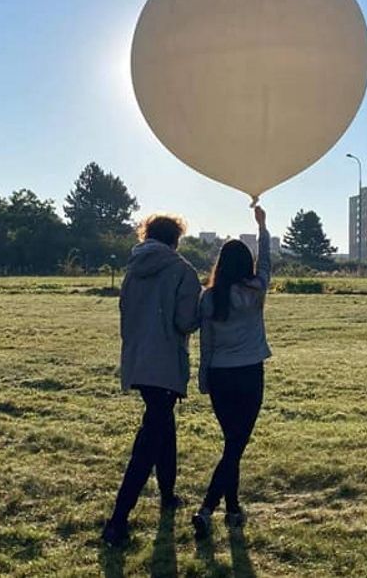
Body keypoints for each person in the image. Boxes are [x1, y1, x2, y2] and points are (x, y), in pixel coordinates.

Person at [101, 214, 202, 547]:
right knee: (149, 439)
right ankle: (118, 519)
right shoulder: (183, 271)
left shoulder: (133, 269)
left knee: (163, 425)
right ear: (176, 239)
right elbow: (185, 322)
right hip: (165, 362)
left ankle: (168, 494)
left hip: (138, 360)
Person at [192, 206, 272, 538]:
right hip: (250, 373)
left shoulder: (209, 297)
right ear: (247, 265)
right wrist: (263, 228)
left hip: (222, 376)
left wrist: (203, 375)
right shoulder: (255, 290)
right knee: (235, 445)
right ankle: (208, 509)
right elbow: (267, 263)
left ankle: (233, 508)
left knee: (232, 442)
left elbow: (206, 342)